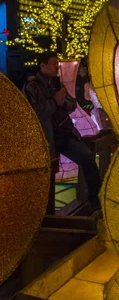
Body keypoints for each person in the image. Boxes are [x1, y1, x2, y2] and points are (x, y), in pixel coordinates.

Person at [24, 51, 101, 211]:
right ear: (43, 66)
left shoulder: (57, 83)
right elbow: (33, 114)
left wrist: (62, 102)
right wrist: (55, 102)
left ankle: (96, 200)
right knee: (47, 175)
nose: (56, 67)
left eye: (57, 64)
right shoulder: (31, 87)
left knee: (87, 157)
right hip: (45, 139)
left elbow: (71, 104)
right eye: (54, 64)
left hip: (64, 135)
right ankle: (44, 212)